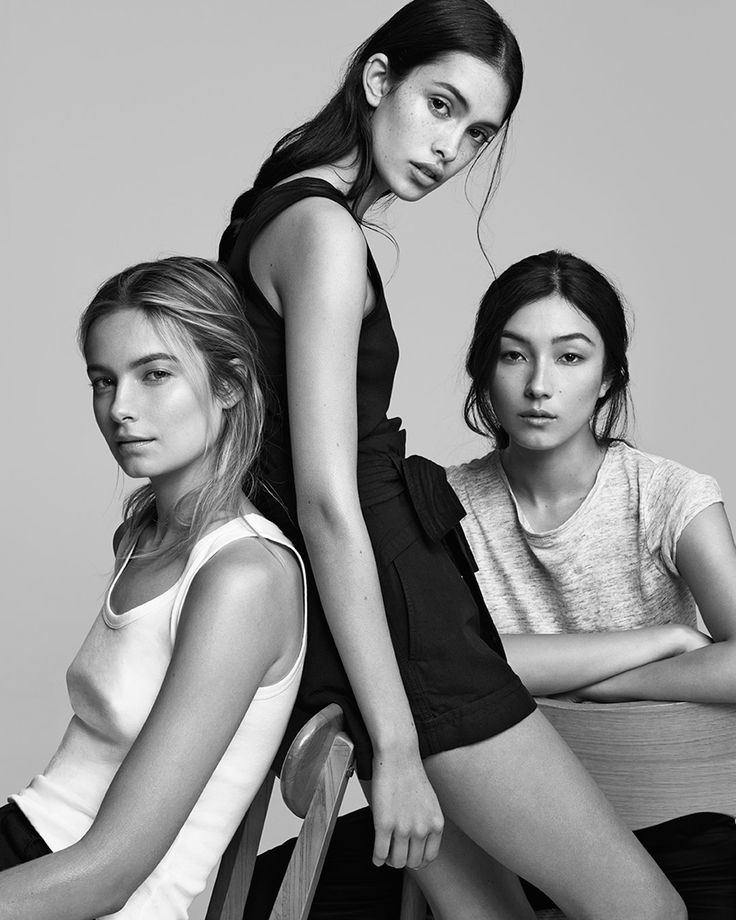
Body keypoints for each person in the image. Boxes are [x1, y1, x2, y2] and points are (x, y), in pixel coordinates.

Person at [218, 2, 684, 917]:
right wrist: (393, 746)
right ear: (379, 80)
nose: (449, 149)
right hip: (399, 620)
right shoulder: (325, 233)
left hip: (369, 615)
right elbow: (325, 500)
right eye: (441, 106)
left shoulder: (272, 210)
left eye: (477, 134)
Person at [0, 257, 307, 920]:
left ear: (229, 384)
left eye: (155, 375)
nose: (120, 409)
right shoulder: (142, 534)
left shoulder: (244, 576)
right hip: (29, 847)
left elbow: (109, 874)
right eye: (103, 381)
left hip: (89, 897)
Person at [448, 248, 736, 917]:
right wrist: (662, 639)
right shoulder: (444, 505)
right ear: (485, 371)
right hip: (512, 840)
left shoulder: (668, 495)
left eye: (571, 356)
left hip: (682, 831)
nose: (539, 385)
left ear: (609, 377)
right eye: (515, 355)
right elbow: (449, 665)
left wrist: (586, 686)